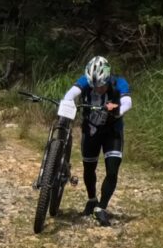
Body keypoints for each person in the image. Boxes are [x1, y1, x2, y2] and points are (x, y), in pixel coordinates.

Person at [55, 56, 131, 226]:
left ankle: (101, 208)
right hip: (91, 131)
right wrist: (67, 105)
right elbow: (71, 94)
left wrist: (117, 110)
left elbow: (127, 102)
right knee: (89, 168)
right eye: (94, 86)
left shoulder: (119, 83)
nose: (98, 89)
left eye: (102, 86)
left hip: (112, 132)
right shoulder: (86, 81)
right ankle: (91, 199)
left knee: (112, 169)